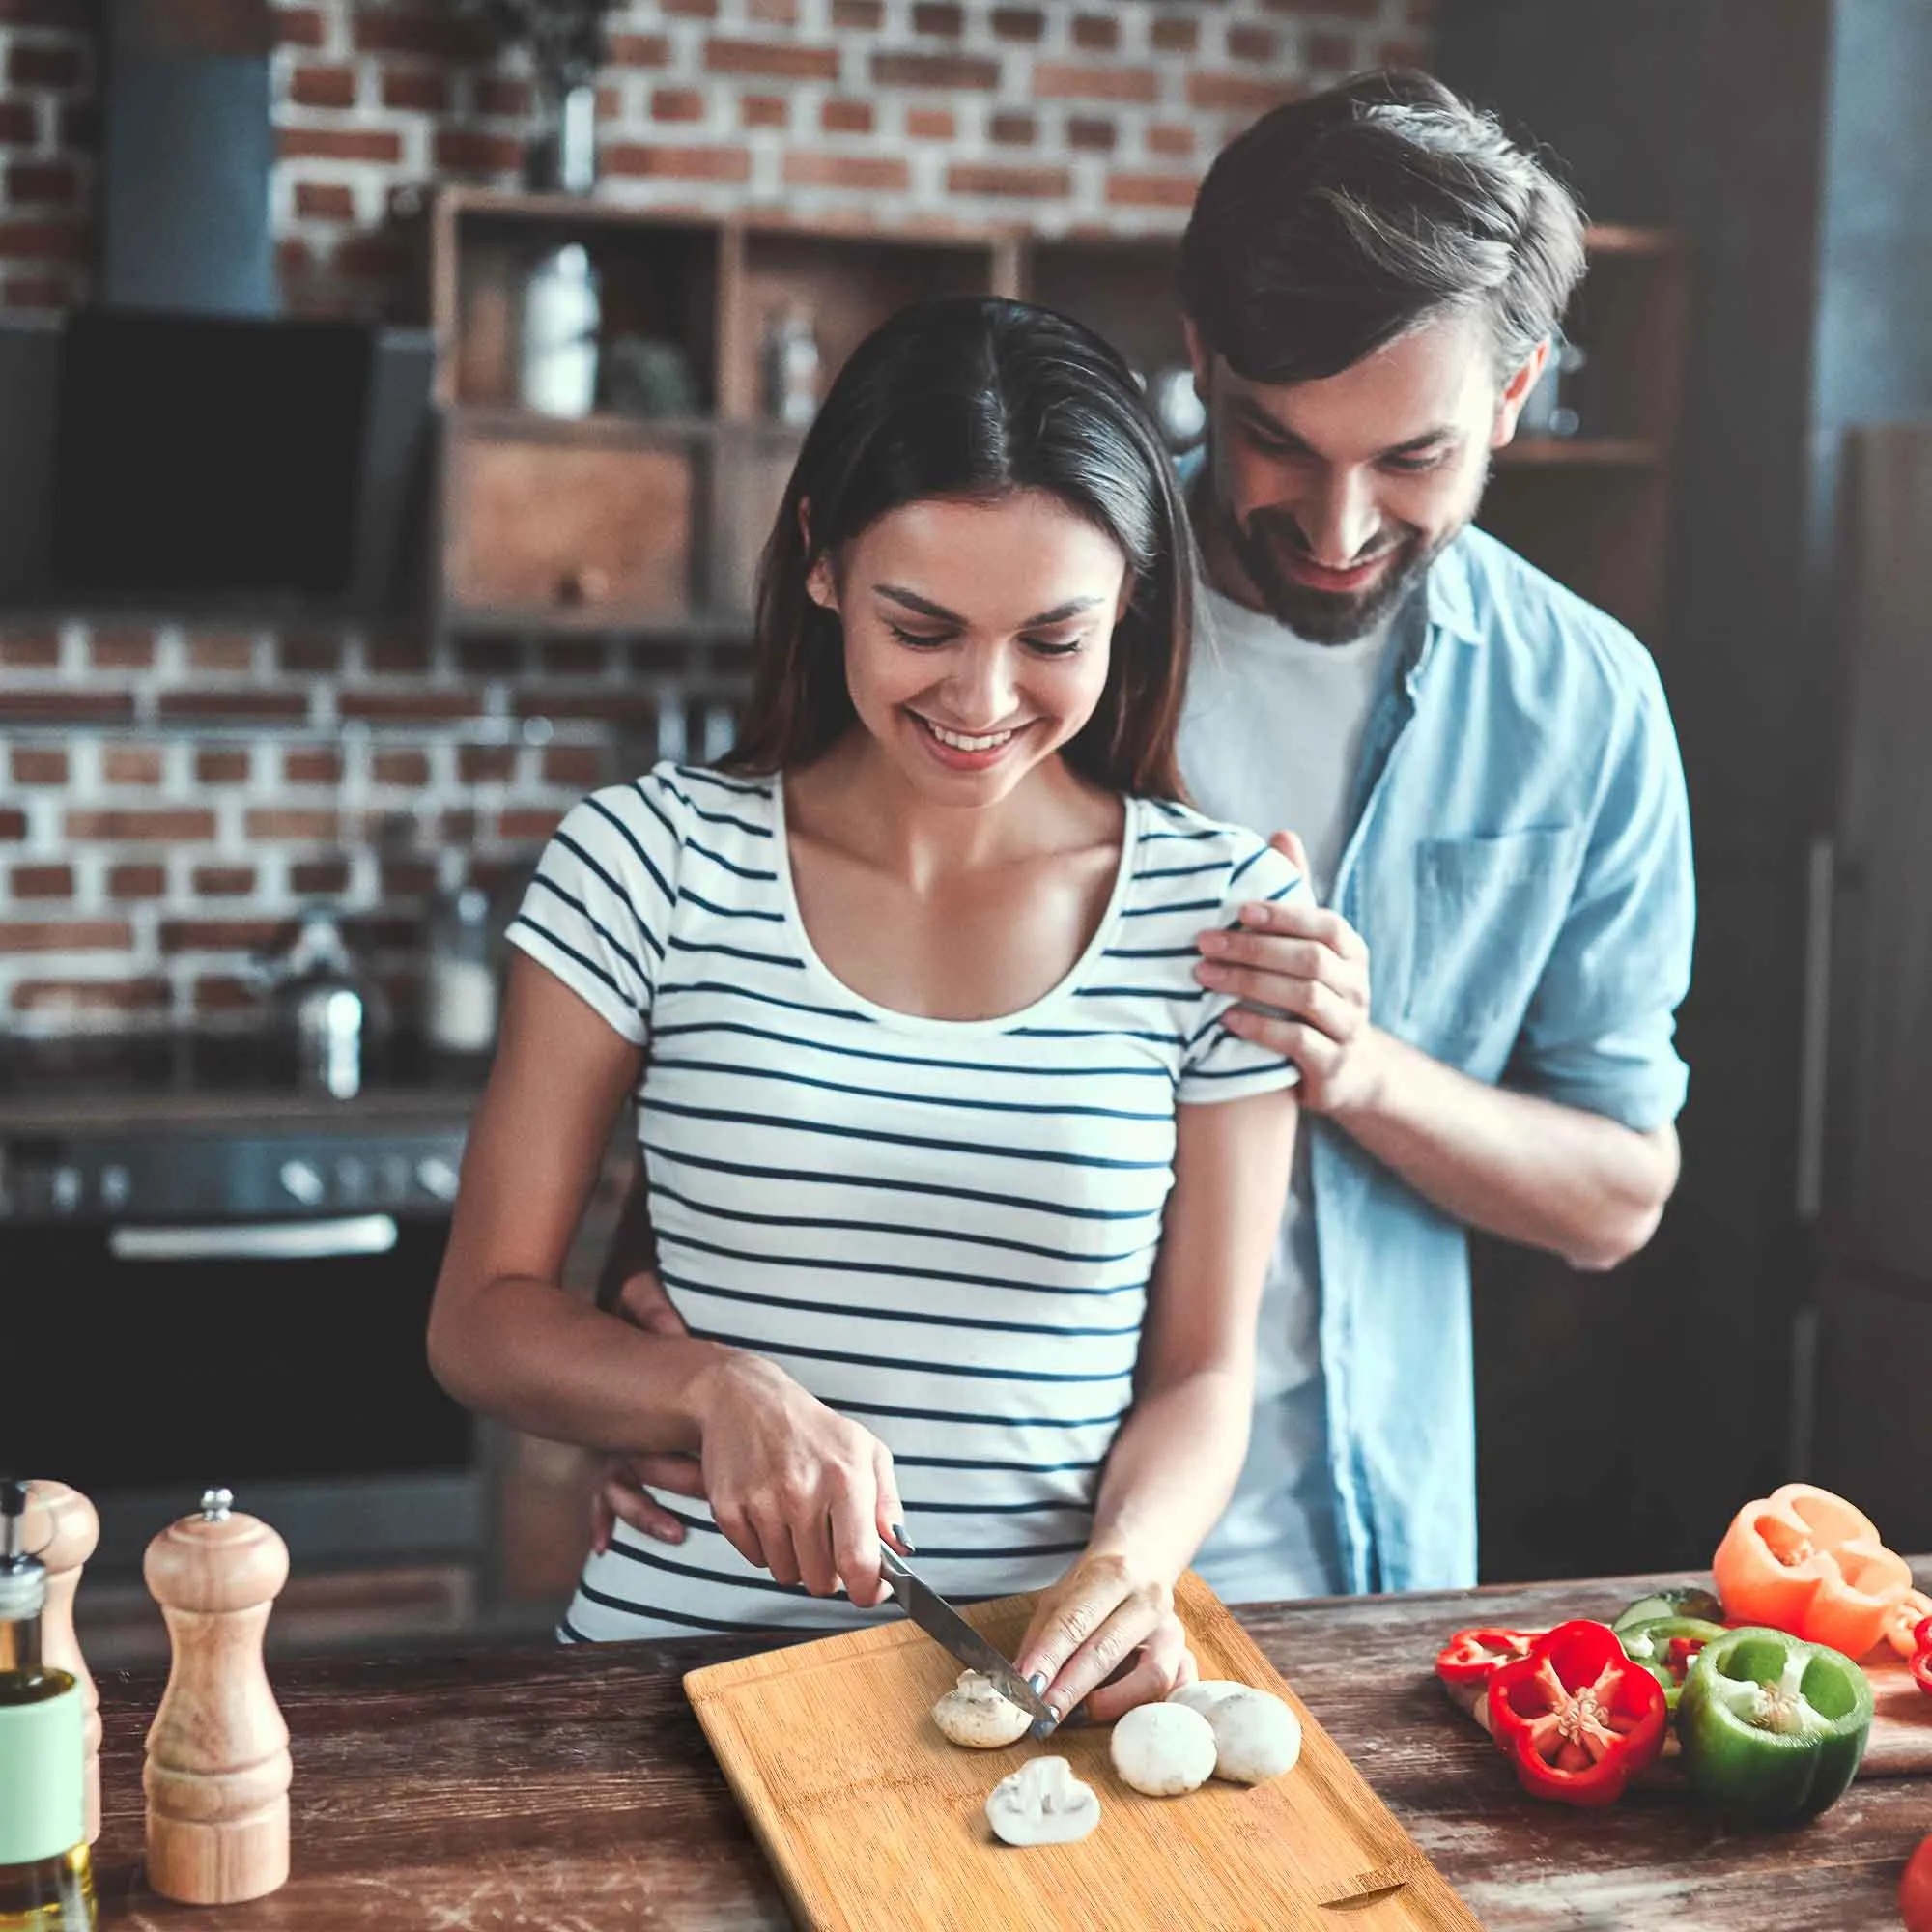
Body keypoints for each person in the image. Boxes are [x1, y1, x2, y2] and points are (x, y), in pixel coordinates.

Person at [588, 69, 1696, 1604]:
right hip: (935, 1556)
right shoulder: (1022, 596)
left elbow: (1620, 1191)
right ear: (1200, 358)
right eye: (1279, 445)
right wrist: (655, 1366)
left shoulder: (1585, 703)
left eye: (1414, 461)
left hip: (1347, 1543)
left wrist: (1353, 1064)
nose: (1338, 524)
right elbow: (766, 970)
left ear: (1512, 396)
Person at [427, 295, 1305, 1725]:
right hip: (673, 1678)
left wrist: (1135, 1568)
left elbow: (1206, 1372)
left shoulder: (1218, 918)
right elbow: (480, 1319)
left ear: (1132, 600)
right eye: (924, 625)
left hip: (1031, 1693)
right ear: (825, 563)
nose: (982, 696)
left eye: (1051, 638)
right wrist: (707, 1392)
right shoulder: (646, 863)